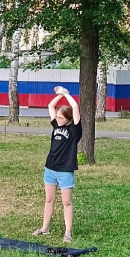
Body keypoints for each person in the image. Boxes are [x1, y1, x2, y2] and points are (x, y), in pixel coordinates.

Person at [34, 86, 82, 243]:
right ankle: (44, 228)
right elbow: (50, 106)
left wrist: (66, 94)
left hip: (65, 170)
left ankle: (68, 232)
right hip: (50, 168)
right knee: (49, 199)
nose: (58, 119)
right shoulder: (56, 126)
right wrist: (59, 95)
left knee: (66, 202)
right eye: (58, 117)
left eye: (61, 118)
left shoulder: (74, 129)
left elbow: (75, 107)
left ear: (68, 119)